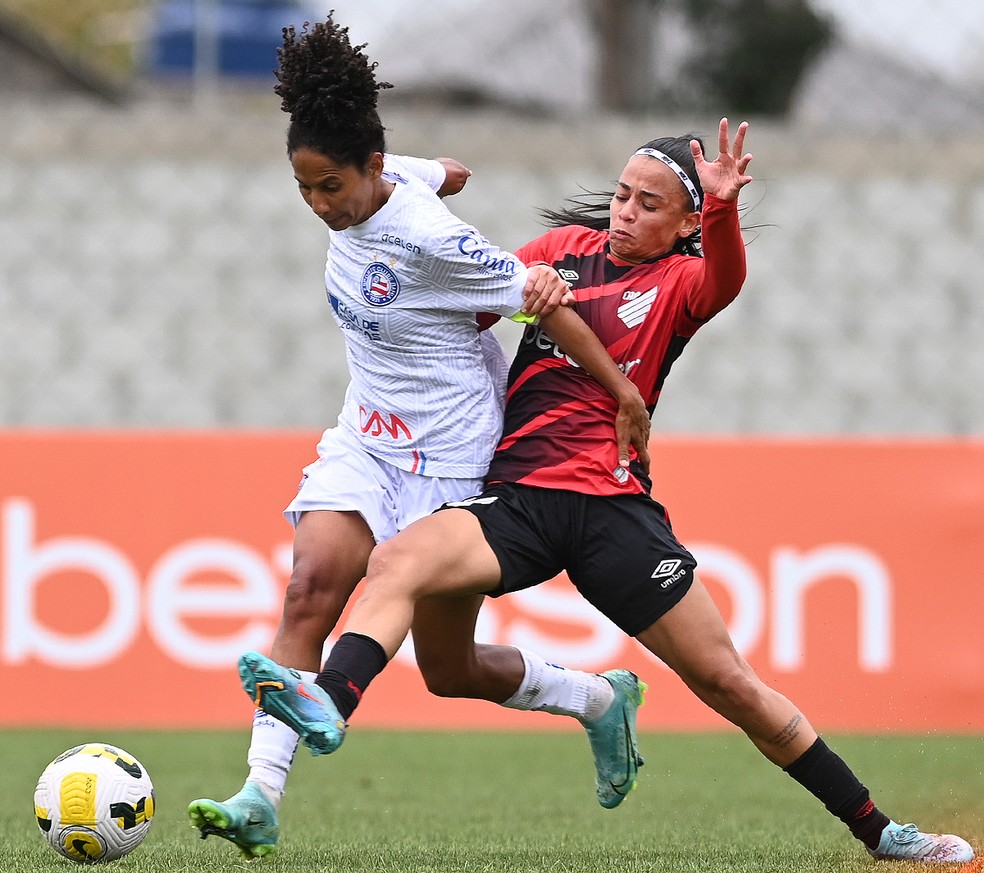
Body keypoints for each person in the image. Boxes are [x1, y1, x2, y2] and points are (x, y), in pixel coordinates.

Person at [239, 118, 975, 864]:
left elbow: (726, 276)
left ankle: (881, 830)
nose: (625, 210)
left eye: (648, 204)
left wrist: (720, 211)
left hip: (611, 510)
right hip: (516, 501)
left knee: (728, 681)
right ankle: (330, 699)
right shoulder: (561, 253)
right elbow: (469, 297)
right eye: (621, 195)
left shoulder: (682, 284)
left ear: (685, 222)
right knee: (397, 562)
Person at [187, 14, 654, 859]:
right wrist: (434, 172)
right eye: (305, 188)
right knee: (308, 591)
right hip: (365, 440)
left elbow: (544, 298)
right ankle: (260, 794)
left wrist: (622, 391)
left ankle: (596, 698)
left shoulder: (429, 241)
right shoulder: (389, 174)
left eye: (331, 186)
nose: (320, 206)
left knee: (449, 670)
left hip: (450, 461)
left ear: (369, 167)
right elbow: (450, 169)